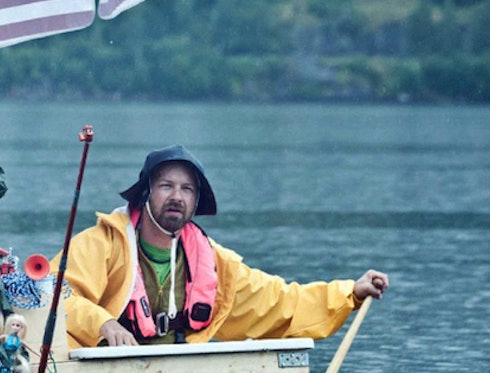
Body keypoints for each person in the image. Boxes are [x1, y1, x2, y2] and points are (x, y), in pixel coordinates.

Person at [58, 144, 389, 350]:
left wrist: (351, 293)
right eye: (166, 186)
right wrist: (104, 324)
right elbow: (54, 294)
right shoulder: (101, 244)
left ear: (196, 201)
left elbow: (279, 303)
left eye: (187, 189)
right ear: (145, 194)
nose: (177, 196)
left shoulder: (214, 262)